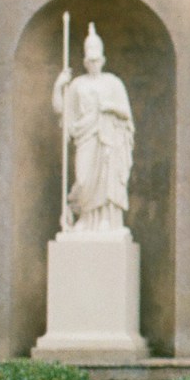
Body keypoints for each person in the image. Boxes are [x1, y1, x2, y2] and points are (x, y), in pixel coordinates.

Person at [52, 23, 134, 235]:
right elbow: (63, 111)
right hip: (86, 136)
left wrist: (110, 107)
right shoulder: (77, 85)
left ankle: (107, 220)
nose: (94, 64)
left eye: (97, 60)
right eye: (90, 60)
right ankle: (86, 219)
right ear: (85, 62)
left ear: (103, 60)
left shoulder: (114, 83)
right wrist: (59, 86)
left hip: (108, 139)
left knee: (108, 178)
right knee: (84, 178)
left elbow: (126, 113)